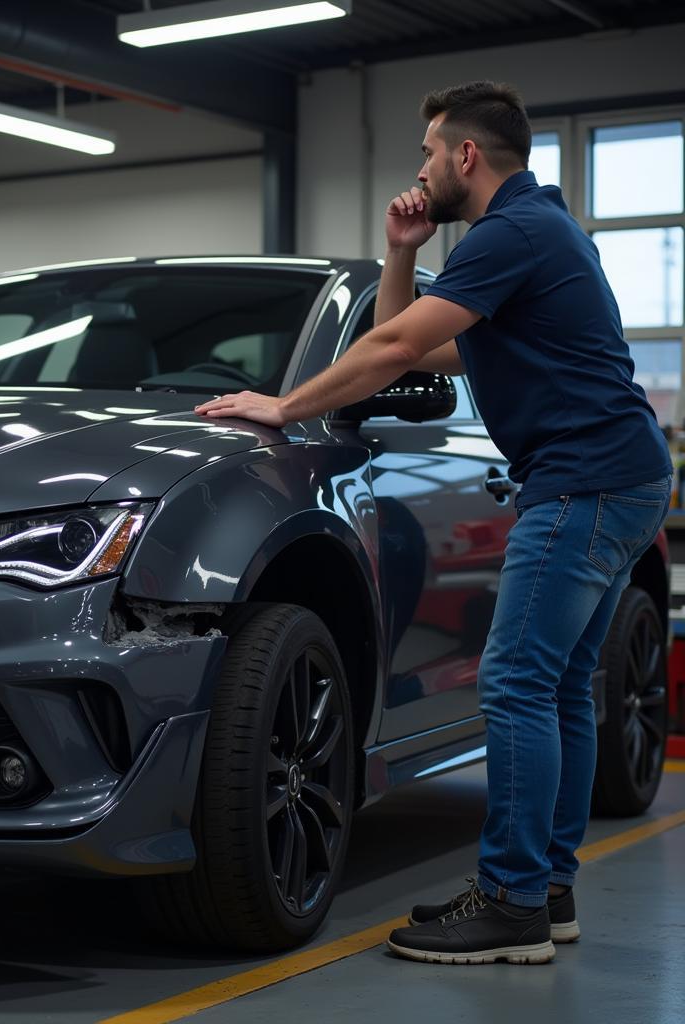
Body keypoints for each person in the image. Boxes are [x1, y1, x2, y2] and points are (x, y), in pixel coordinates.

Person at [195, 80, 672, 965]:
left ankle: (512, 903)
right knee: (561, 685)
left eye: (427, 152)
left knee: (518, 681)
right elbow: (414, 334)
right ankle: (546, 892)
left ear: (465, 156)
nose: (418, 170)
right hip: (621, 479)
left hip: (583, 484)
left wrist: (281, 405)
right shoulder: (534, 236)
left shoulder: (512, 233)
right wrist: (401, 252)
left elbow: (391, 352)